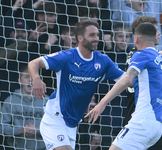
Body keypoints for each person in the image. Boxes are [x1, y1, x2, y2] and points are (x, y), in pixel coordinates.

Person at [85, 22, 162, 150]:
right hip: (157, 125)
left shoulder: (141, 54)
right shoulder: (160, 60)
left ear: (136, 39)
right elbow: (151, 88)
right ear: (154, 38)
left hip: (143, 121)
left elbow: (127, 79)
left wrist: (102, 103)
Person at [28, 19, 124, 150]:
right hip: (55, 118)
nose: (96, 38)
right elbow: (33, 63)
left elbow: (125, 79)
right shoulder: (67, 57)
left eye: (97, 34)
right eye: (92, 35)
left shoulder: (103, 61)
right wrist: (36, 79)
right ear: (80, 38)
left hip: (72, 124)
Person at [1, 65, 48, 150]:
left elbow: (55, 127)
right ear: (20, 80)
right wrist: (20, 130)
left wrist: (38, 131)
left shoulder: (47, 101)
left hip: (42, 148)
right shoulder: (10, 101)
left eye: (33, 77)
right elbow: (2, 127)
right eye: (27, 77)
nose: (30, 80)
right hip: (15, 148)